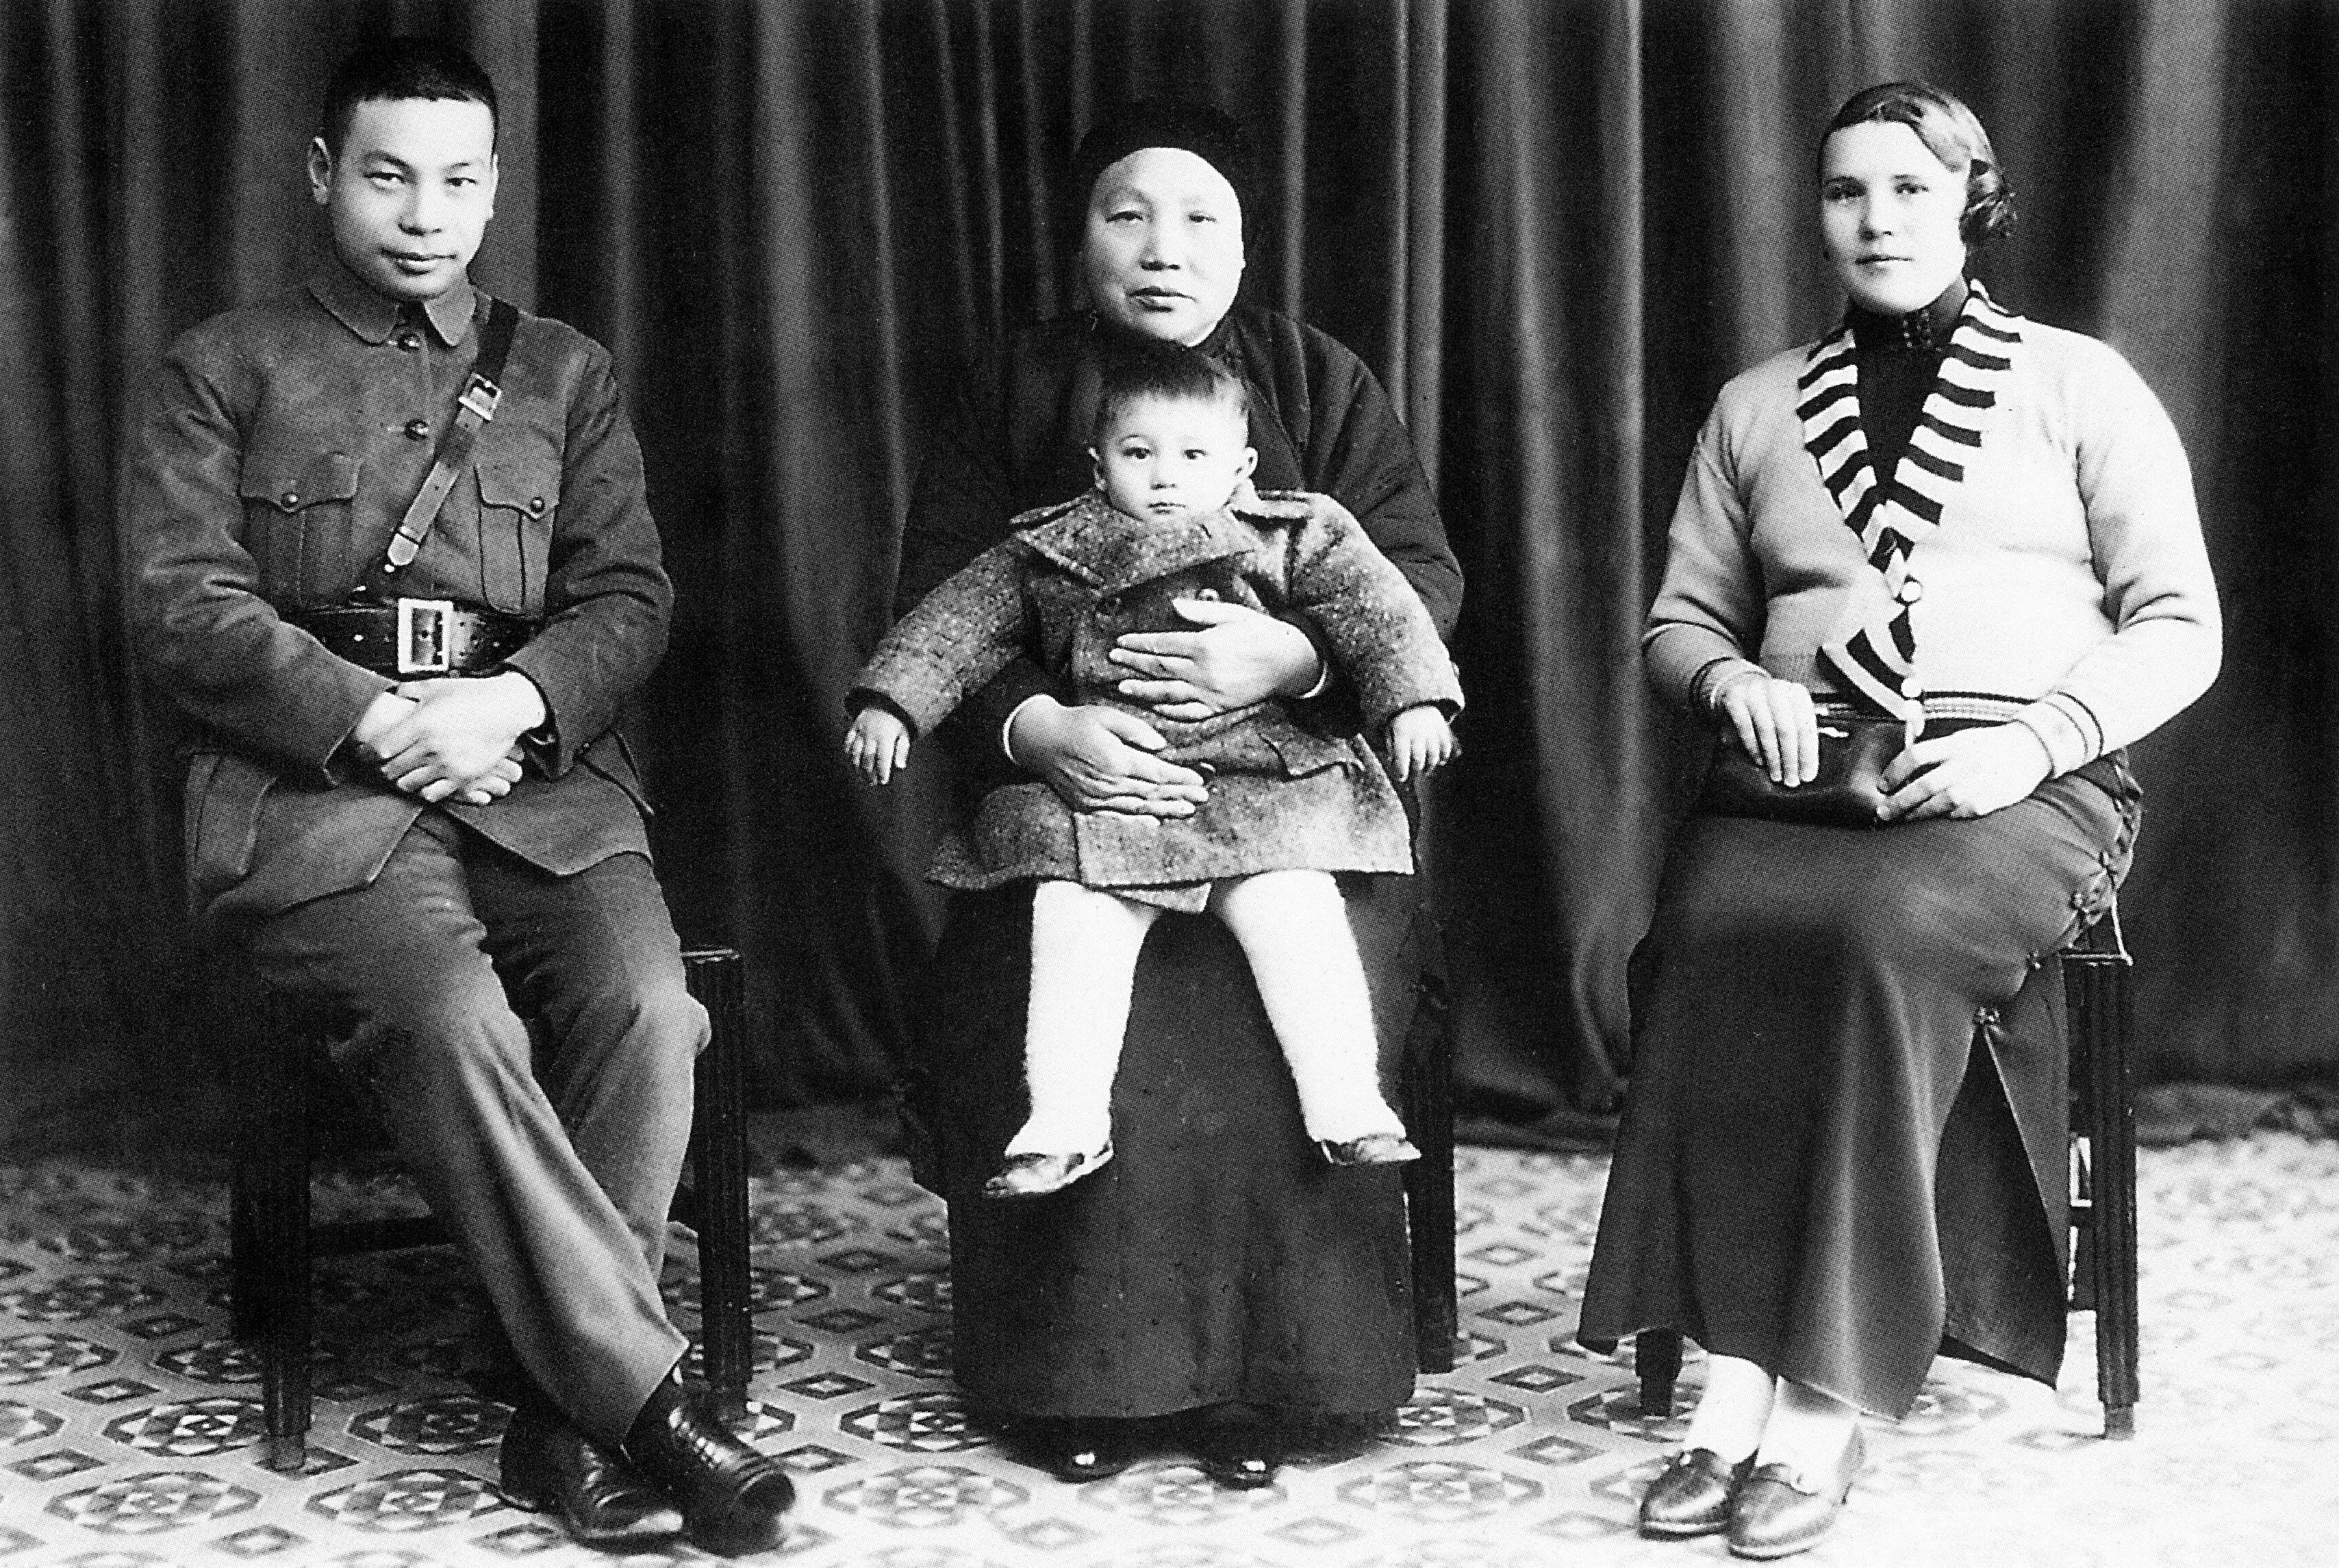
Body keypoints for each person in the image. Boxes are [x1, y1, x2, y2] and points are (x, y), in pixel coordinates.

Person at [123, 38, 793, 1556]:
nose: (426, 212)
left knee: (643, 1001)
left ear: (493, 188)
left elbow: (629, 595)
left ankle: (557, 1412)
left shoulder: (560, 369)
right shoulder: (222, 365)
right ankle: (644, 1397)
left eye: (459, 179)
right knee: (450, 1016)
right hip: (312, 800)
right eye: (386, 174)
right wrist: (371, 719)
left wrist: (516, 698)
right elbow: (182, 607)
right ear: (319, 175)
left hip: (531, 778)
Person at [1578, 82, 2219, 1560]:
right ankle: (1727, 1377)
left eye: (1910, 189)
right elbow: (1676, 623)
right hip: (1806, 778)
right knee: (1710, 929)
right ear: (1816, 215)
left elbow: (2182, 623)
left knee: (1873, 935)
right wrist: (1734, 677)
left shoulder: (2077, 383)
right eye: (1845, 192)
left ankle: (1816, 1397)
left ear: (1969, 202)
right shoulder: (1755, 403)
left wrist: (2030, 745)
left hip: (2024, 782)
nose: (1875, 218)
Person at [893, 98, 1463, 1487]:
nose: (1163, 247)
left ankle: (1286, 1381)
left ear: (1247, 240)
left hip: (1285, 790)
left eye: (1200, 215)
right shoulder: (1016, 390)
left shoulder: (1319, 380)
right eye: (1127, 212)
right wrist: (1033, 729)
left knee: (1298, 983)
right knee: (1073, 985)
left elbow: (1413, 583)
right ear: (1081, 233)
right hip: (1082, 802)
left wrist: (1299, 653)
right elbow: (938, 602)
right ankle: (1087, 1378)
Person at [850, 350, 1461, 1198]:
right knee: (1073, 913)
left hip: (1258, 782)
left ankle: (1349, 1107)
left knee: (1294, 903)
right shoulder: (1051, 547)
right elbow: (955, 623)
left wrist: (1413, 702)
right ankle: (1062, 1125)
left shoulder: (1296, 530)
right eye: (1140, 454)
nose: (1166, 478)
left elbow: (1382, 612)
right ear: (1098, 466)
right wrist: (894, 702)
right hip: (1115, 789)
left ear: (1242, 466)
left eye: (1193, 456)